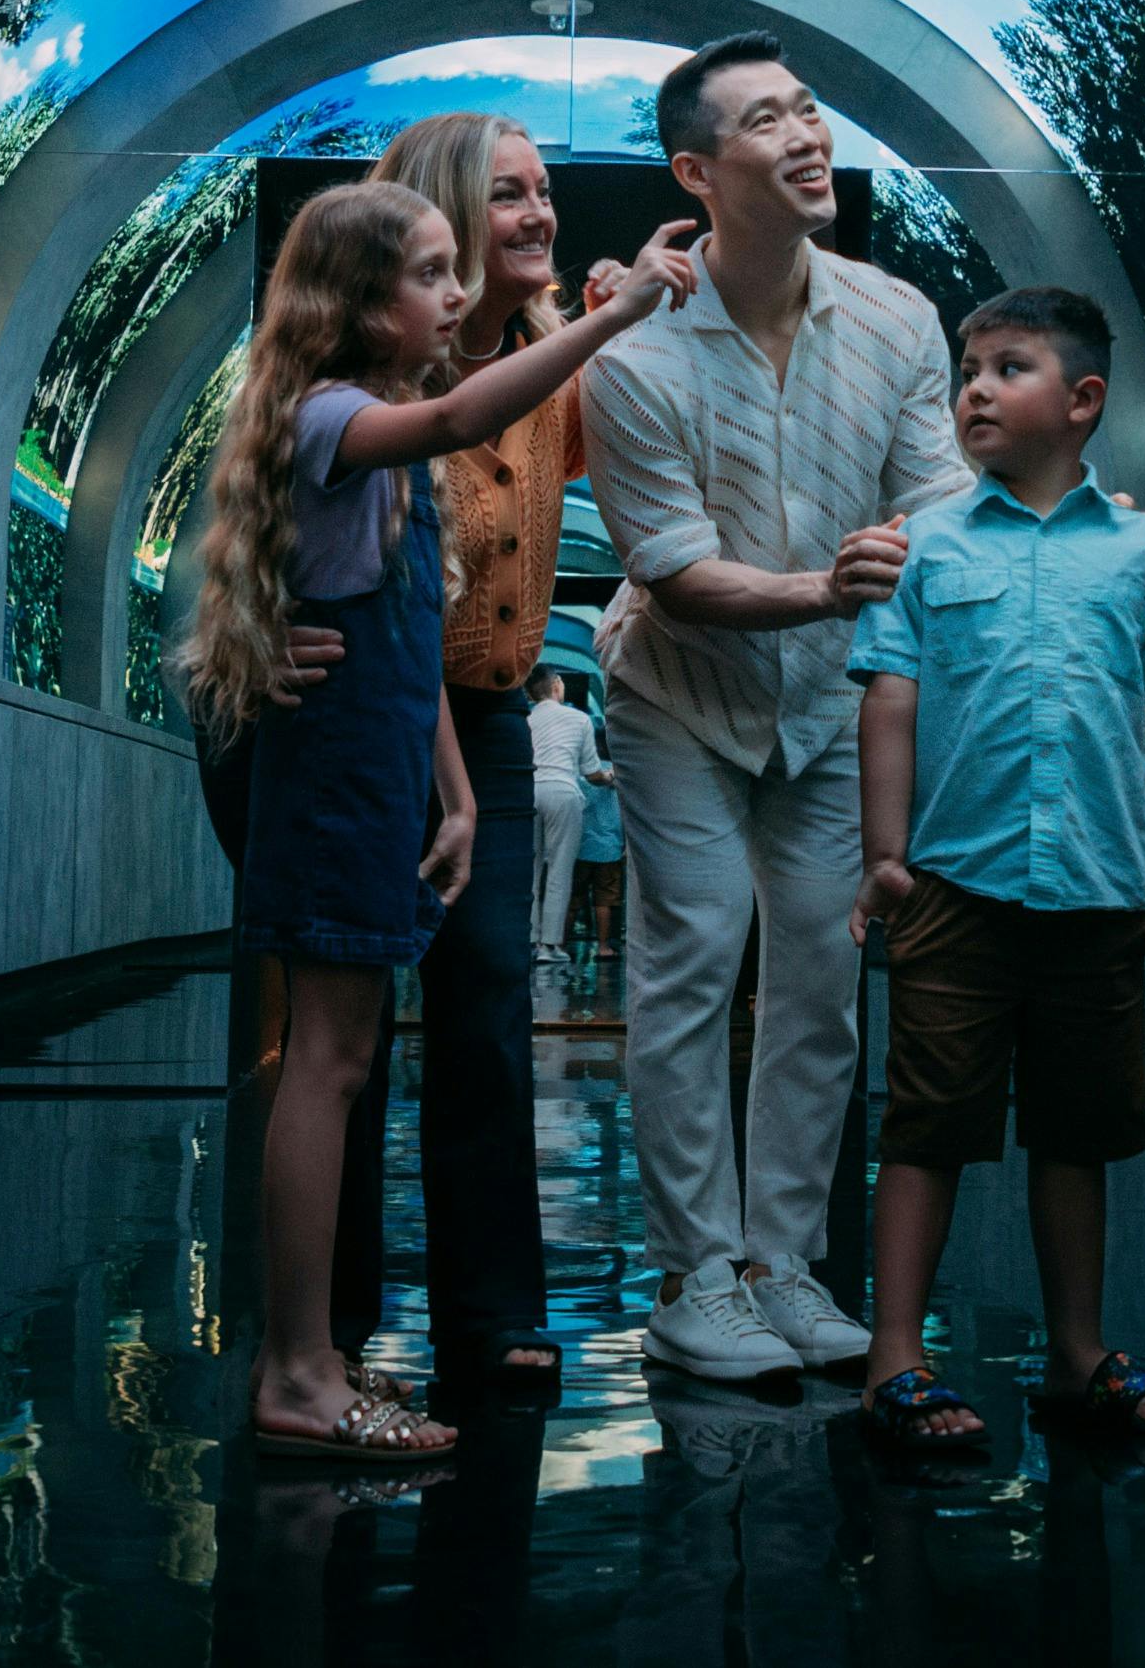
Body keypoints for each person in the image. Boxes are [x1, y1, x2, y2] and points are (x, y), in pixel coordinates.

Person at [183, 176, 697, 1463]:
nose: (455, 292)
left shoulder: (381, 434)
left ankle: (307, 1358)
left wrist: (460, 792)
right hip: (333, 787)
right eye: (427, 273)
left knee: (346, 1060)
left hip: (383, 777)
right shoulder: (337, 417)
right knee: (330, 1065)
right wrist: (620, 311)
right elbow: (472, 409)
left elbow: (410, 651)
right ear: (357, 308)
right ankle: (300, 1368)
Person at [581, 31, 973, 1382]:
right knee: (692, 959)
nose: (808, 133)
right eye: (766, 119)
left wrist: (1014, 529)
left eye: (810, 106)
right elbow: (673, 573)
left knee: (821, 973)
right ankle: (696, 1283)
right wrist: (825, 586)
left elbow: (935, 498)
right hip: (677, 694)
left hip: (824, 703)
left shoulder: (900, 314)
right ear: (698, 169)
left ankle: (786, 1266)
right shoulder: (632, 357)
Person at [841, 287, 1145, 1458]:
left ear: (1081, 401)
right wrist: (882, 857)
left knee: (1080, 1129)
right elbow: (890, 704)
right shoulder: (923, 542)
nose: (971, 388)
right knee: (927, 1124)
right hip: (952, 887)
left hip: (1100, 891)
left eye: (1004, 368)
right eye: (965, 369)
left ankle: (1076, 1351)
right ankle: (895, 1357)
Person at [366, 110, 649, 1393]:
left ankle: (493, 1316)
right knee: (344, 1030)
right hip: (363, 705)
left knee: (486, 1016)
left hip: (479, 707)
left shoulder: (550, 372)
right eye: (508, 197)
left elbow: (640, 409)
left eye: (545, 194)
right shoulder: (379, 376)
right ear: (438, 215)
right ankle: (325, 1326)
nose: (540, 214)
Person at [524, 666, 596, 960]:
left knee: (530, 871)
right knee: (560, 870)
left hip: (530, 792)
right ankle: (550, 945)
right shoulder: (579, 719)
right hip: (564, 792)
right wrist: (611, 775)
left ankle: (528, 939)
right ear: (556, 685)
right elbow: (591, 772)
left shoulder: (525, 720)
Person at [572, 705, 628, 960]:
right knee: (605, 898)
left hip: (579, 845)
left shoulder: (582, 773)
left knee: (573, 897)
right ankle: (605, 946)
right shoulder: (620, 775)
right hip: (610, 847)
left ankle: (560, 944)